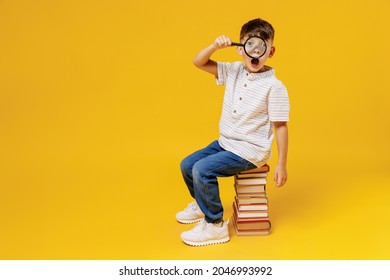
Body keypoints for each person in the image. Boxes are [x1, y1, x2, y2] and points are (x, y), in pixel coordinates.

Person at [176, 18, 290, 246]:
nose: (255, 54)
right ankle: (202, 202)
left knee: (202, 170)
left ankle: (215, 225)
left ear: (271, 51)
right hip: (226, 142)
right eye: (250, 48)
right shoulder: (233, 70)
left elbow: (281, 126)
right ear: (240, 50)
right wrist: (214, 47)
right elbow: (198, 62)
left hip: (250, 150)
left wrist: (282, 164)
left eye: (261, 48)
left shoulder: (274, 86)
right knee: (187, 165)